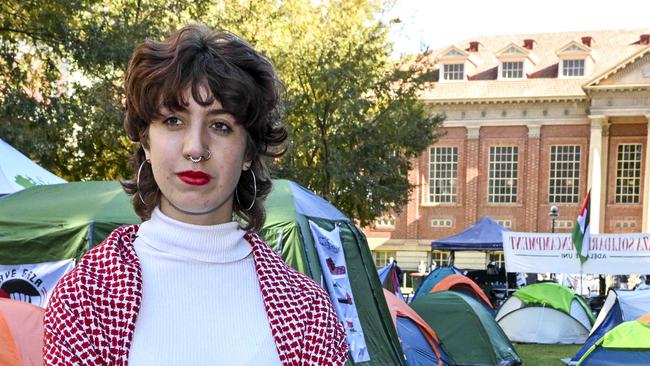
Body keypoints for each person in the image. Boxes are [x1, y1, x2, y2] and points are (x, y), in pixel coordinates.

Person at [43, 24, 348, 365]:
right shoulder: (86, 298)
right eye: (174, 121)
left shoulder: (308, 312)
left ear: (248, 153)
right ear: (146, 141)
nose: (196, 148)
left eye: (221, 126)